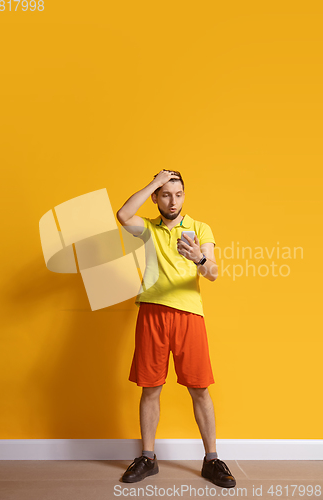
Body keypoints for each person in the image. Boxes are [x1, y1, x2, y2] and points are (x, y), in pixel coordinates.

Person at [116, 170, 236, 488]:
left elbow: (212, 273)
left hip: (189, 316)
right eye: (166, 194)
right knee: (150, 387)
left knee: (199, 388)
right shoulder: (147, 229)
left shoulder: (199, 227)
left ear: (185, 195)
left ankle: (212, 459)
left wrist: (199, 258)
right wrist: (153, 183)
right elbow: (123, 214)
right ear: (157, 197)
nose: (173, 200)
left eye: (178, 194)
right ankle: (148, 457)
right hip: (152, 313)